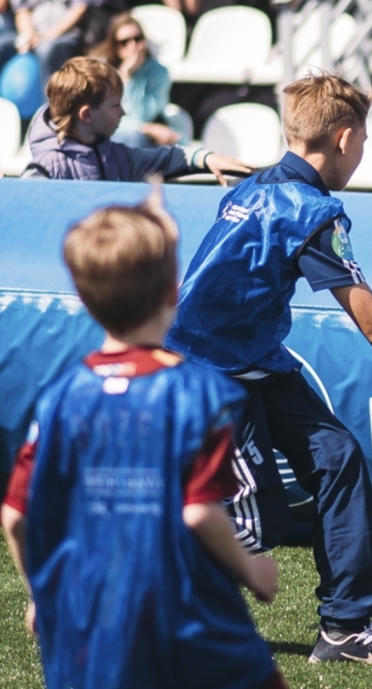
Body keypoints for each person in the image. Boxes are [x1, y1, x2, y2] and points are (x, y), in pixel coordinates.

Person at [165, 73, 372, 665]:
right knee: (256, 527)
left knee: (338, 457)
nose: (363, 153)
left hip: (255, 359)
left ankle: (345, 627)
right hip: (205, 372)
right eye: (363, 140)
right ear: (342, 139)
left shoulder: (257, 185)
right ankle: (128, 594)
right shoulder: (312, 211)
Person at [1, 188, 288, 689]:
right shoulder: (200, 394)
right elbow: (199, 512)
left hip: (87, 611)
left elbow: (15, 516)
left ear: (86, 300)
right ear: (174, 292)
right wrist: (251, 569)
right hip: (182, 608)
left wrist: (39, 595)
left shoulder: (62, 396)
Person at [22, 56, 250, 183]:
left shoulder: (119, 157)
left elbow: (167, 158)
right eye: (115, 106)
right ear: (87, 115)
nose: (122, 113)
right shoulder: (46, 170)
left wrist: (205, 158)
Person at [93, 13, 187, 148]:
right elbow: (100, 118)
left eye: (138, 39)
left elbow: (142, 115)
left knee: (139, 139)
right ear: (116, 47)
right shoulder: (104, 72)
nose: (134, 46)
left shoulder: (159, 72)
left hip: (138, 136)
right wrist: (149, 128)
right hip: (117, 133)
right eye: (125, 42)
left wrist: (128, 77)